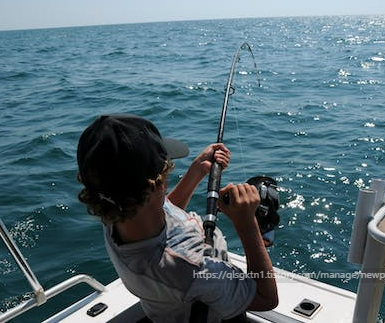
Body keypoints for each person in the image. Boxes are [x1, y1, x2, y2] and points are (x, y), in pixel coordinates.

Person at [76, 114, 278, 323]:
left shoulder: (114, 210)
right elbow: (266, 299)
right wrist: (246, 223)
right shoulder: (187, 268)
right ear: (155, 184)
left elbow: (162, 212)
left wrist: (197, 171)